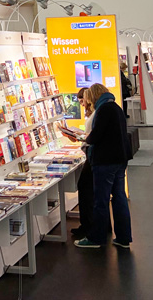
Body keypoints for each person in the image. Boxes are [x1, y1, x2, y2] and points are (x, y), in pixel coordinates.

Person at [75, 83, 133, 249]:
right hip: (120, 159)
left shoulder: (103, 110)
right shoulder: (115, 107)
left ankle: (96, 238)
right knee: (119, 197)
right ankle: (123, 237)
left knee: (100, 200)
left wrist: (84, 138)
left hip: (105, 160)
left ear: (93, 96)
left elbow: (96, 136)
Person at [60, 88, 94, 239]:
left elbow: (91, 137)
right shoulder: (96, 113)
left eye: (82, 101)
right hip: (92, 153)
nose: (82, 105)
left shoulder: (95, 115)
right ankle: (90, 225)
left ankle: (88, 227)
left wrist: (80, 136)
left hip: (92, 154)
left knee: (85, 188)